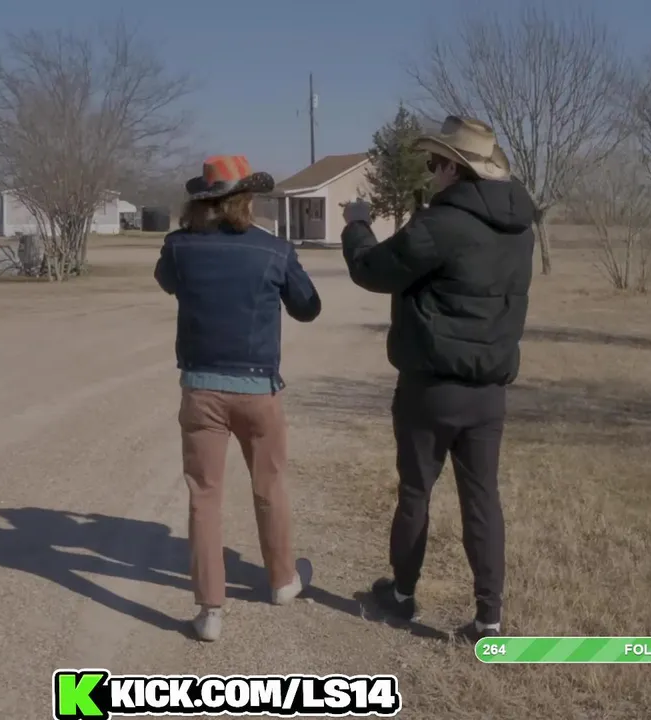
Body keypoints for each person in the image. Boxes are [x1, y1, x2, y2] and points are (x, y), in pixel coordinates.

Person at [339, 116, 535, 643]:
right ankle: (489, 619)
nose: (430, 172)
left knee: (416, 491)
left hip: (431, 388)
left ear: (452, 167)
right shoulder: (520, 229)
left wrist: (357, 225)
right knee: (482, 499)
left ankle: (402, 595)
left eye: (433, 163)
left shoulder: (442, 224)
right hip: (489, 391)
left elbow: (372, 269)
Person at [154, 155, 322, 642]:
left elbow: (167, 282)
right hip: (258, 389)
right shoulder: (274, 249)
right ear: (246, 199)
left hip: (201, 388)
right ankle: (282, 580)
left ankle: (209, 610)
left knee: (204, 495)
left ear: (201, 201)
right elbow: (308, 308)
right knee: (269, 485)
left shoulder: (179, 248)